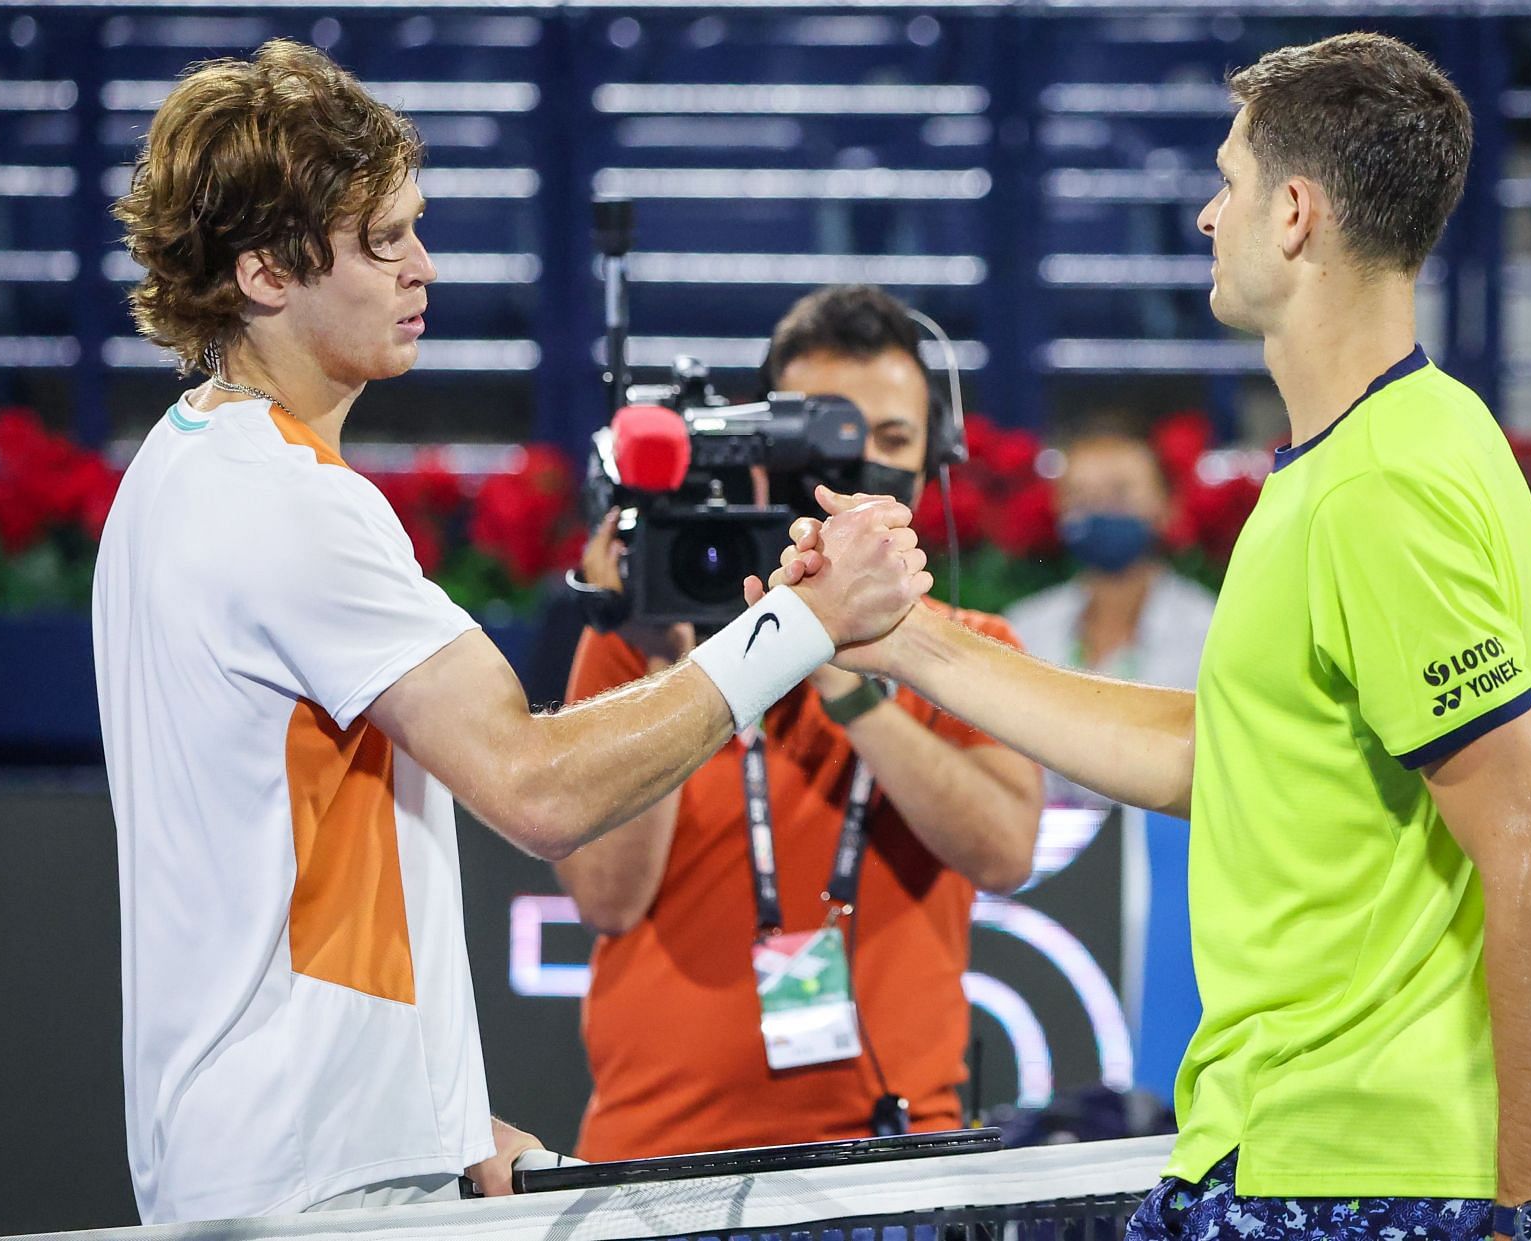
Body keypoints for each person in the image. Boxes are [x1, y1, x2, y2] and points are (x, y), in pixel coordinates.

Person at [766, 34, 1531, 1241]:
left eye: (1230, 183)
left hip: (1358, 1173)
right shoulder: (1386, 450)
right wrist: (904, 643)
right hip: (1282, 1152)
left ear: (1296, 215)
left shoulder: (1381, 485)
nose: (1209, 217)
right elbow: (1220, 757)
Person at [95, 43, 929, 1225]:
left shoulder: (179, 470)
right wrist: (803, 623)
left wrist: (434, 1116)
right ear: (265, 272)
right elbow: (537, 787)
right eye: (380, 240)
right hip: (313, 1182)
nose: (421, 267)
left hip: (282, 1156)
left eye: (414, 228)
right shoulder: (286, 501)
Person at [554, 284, 1044, 1160]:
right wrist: (685, 658)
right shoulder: (654, 635)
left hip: (891, 1170)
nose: (856, 467)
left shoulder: (970, 649)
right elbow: (606, 896)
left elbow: (1004, 849)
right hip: (658, 1165)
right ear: (758, 447)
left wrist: (844, 681)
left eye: (889, 439)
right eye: (823, 433)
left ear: (935, 455)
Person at [1005, 412, 1215, 805]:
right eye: (1081, 497)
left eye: (1120, 493)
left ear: (1165, 504)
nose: (1100, 510)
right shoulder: (1025, 627)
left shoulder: (1211, 629)